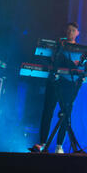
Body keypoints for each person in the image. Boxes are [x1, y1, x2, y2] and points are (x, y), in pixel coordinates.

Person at [29, 22, 82, 154]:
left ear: (77, 33)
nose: (70, 32)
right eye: (68, 30)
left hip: (68, 83)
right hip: (55, 80)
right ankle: (42, 143)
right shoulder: (59, 45)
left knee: (65, 115)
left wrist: (75, 67)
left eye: (73, 30)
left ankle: (59, 145)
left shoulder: (81, 50)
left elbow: (79, 67)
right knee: (47, 111)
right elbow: (50, 59)